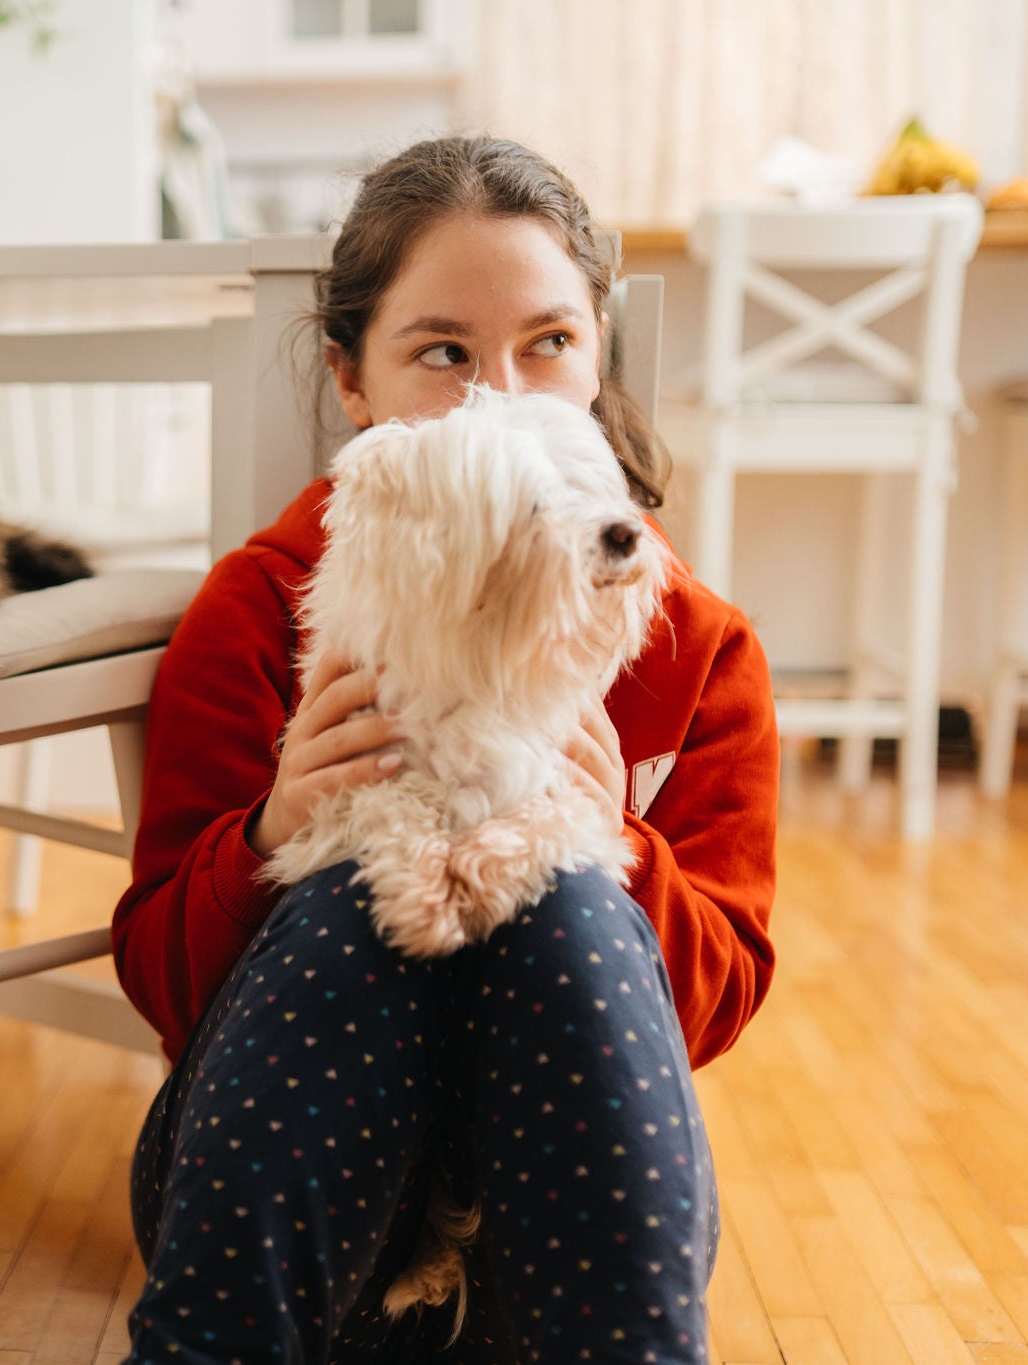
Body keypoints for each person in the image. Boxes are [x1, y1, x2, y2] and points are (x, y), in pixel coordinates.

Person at [111, 136, 780, 1363]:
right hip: (285, 1236)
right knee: (347, 899)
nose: (504, 399)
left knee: (568, 895)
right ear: (350, 385)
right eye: (441, 355)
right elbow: (158, 984)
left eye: (548, 346)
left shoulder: (691, 644)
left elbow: (716, 998)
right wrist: (265, 840)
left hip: (563, 1238)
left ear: (596, 360)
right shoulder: (262, 610)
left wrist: (614, 848)